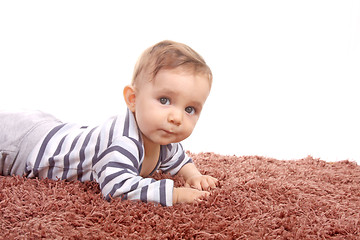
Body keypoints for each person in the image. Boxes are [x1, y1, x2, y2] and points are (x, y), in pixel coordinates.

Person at [0, 40, 218, 206]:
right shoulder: (125, 142)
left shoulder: (163, 136)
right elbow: (116, 187)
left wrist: (195, 176)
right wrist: (175, 194)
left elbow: (179, 160)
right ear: (132, 99)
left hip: (52, 129)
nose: (176, 117)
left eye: (190, 109)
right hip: (25, 148)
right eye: (164, 100)